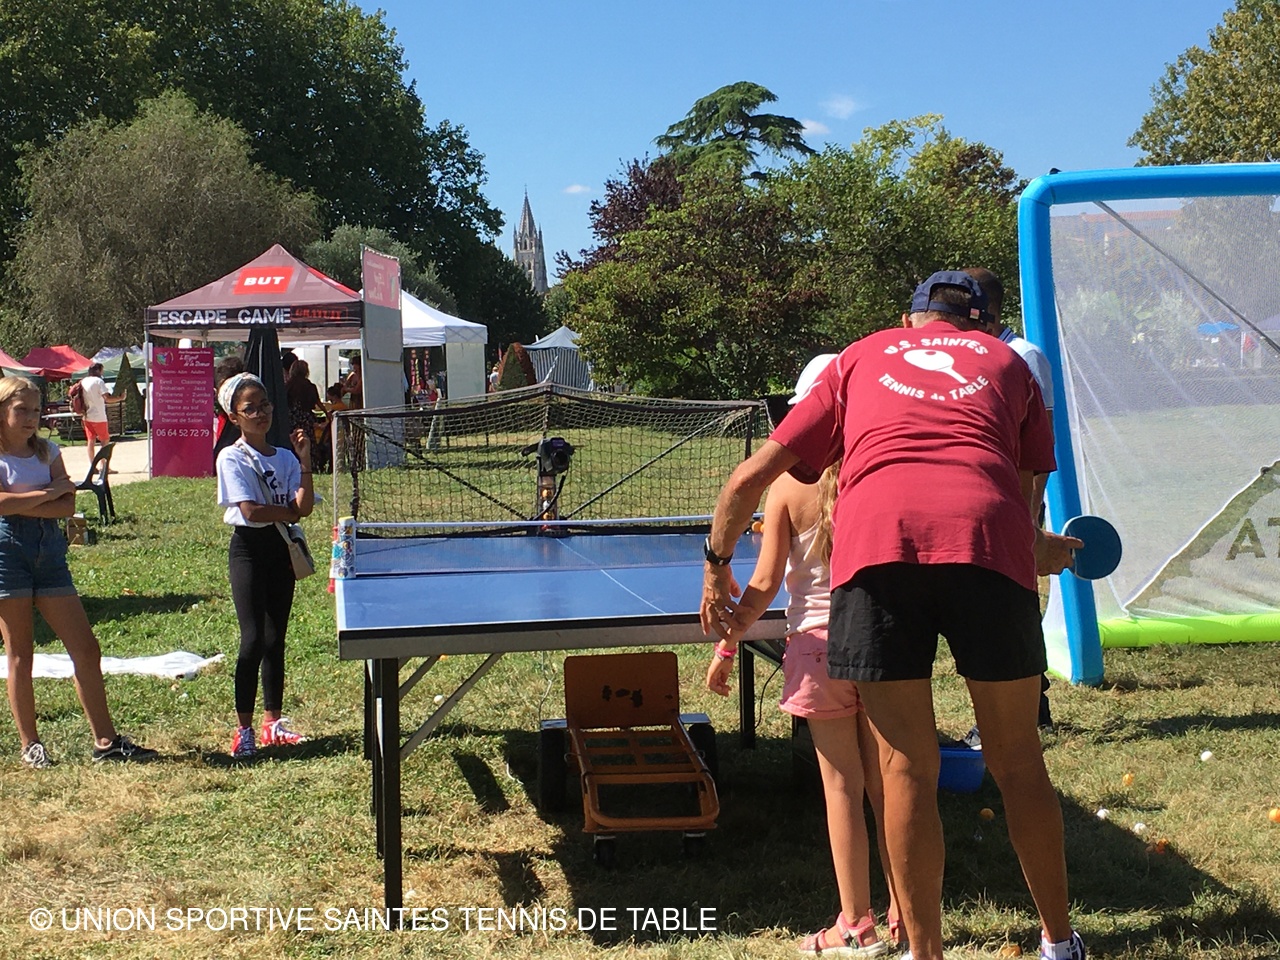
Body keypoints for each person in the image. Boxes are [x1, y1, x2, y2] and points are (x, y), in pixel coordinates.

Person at [701, 272, 1085, 960]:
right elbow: (1024, 512)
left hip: (876, 551)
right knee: (1018, 761)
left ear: (907, 321)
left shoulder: (858, 356)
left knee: (905, 765)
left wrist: (714, 565)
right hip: (987, 545)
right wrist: (1038, 549)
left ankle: (923, 953)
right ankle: (1060, 944)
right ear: (979, 325)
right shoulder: (1010, 363)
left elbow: (746, 480)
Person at [705, 354, 897, 957]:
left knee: (841, 789)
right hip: (883, 642)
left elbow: (763, 585)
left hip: (815, 650)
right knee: (890, 786)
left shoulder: (787, 487)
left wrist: (728, 642)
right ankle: (906, 915)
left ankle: (855, 924)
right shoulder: (881, 473)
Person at [0, 376, 157, 767]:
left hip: (49, 552)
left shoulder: (48, 450)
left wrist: (28, 501)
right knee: (20, 653)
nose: (31, 418)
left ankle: (106, 741)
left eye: (36, 410)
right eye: (21, 410)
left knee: (85, 648)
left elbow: (67, 506)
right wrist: (48, 493)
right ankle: (31, 745)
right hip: (6, 554)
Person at [965, 267, 1057, 730]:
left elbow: (1040, 439)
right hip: (981, 502)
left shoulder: (1024, 356)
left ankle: (1032, 706)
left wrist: (1030, 513)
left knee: (1016, 604)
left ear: (986, 312)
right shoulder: (970, 355)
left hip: (1016, 503)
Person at [215, 373, 315, 759]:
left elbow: (304, 507)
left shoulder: (286, 457)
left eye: (265, 405)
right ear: (234, 417)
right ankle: (243, 729)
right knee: (253, 638)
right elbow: (251, 512)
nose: (261, 413)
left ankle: (273, 722)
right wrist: (289, 511)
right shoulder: (232, 457)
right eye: (250, 408)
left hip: (280, 549)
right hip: (249, 550)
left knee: (276, 639)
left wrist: (304, 461)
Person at [78, 363, 120, 463]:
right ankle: (103, 465)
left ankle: (92, 465)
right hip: (99, 416)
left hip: (87, 415)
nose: (102, 372)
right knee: (105, 440)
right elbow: (107, 398)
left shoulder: (83, 381)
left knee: (91, 440)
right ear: (98, 370)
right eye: (102, 370)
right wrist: (120, 398)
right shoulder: (98, 381)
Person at [285, 359, 322, 436]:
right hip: (306, 419)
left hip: (291, 419)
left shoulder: (288, 386)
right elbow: (318, 402)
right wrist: (326, 413)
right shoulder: (310, 386)